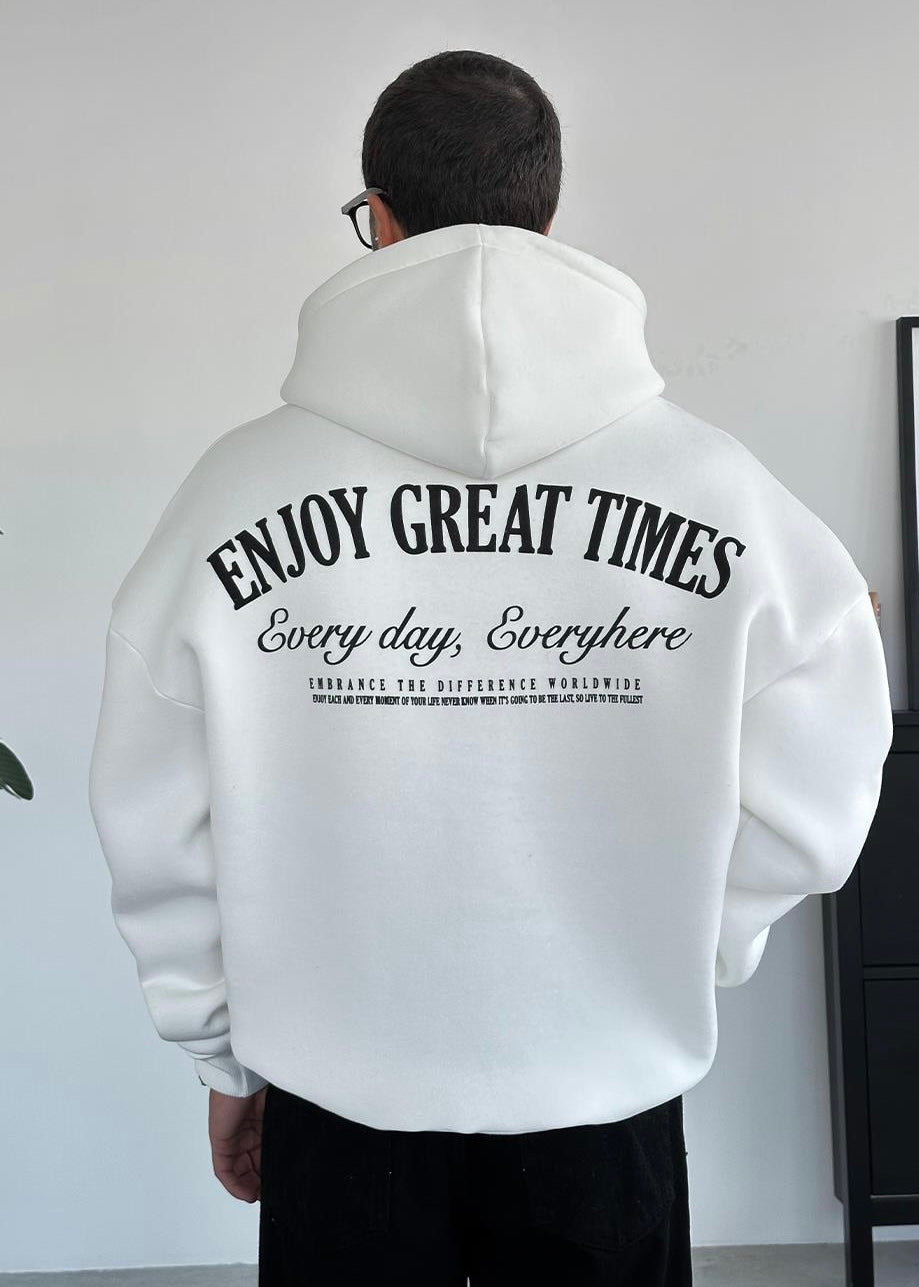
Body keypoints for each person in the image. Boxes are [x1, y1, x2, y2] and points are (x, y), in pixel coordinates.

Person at [88, 48, 893, 1287]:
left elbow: (156, 813)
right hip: (605, 1092)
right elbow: (824, 773)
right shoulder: (717, 492)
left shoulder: (236, 492)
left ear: (379, 217)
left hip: (337, 1093)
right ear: (546, 217)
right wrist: (681, 940)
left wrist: (220, 1055)